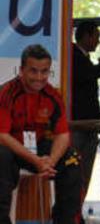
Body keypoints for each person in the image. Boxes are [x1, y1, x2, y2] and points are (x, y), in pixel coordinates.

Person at [0, 44, 82, 224]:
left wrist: (50, 161)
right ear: (22, 70)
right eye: (33, 71)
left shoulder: (52, 95)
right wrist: (36, 161)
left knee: (72, 159)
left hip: (38, 148)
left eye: (44, 72)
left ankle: (64, 220)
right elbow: (2, 135)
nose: (39, 77)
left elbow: (62, 135)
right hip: (11, 149)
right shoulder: (7, 93)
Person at [71, 20, 100, 217]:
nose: (97, 41)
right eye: (96, 36)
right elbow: (82, 77)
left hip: (89, 126)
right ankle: (72, 212)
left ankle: (77, 211)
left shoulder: (83, 57)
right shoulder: (72, 55)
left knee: (85, 173)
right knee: (75, 173)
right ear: (86, 36)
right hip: (78, 126)